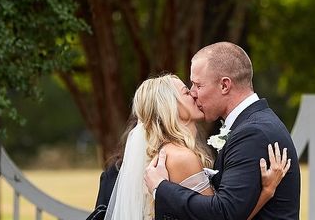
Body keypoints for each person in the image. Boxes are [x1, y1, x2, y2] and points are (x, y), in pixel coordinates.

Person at [99, 73, 290, 220]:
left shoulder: (167, 152)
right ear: (170, 106)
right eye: (185, 91)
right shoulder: (181, 157)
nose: (193, 93)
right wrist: (266, 192)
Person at [144, 42, 301, 219]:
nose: (193, 93)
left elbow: (224, 213)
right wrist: (265, 192)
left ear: (225, 85)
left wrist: (161, 188)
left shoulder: (253, 133)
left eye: (198, 85)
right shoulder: (251, 126)